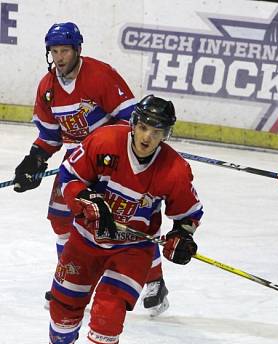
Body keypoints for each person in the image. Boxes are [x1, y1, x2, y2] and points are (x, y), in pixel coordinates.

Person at [12, 22, 169, 315]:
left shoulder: (101, 75)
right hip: (76, 162)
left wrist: (107, 152)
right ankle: (71, 280)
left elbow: (130, 122)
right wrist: (34, 159)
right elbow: (49, 135)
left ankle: (155, 282)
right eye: (54, 51)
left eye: (65, 51)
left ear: (77, 50)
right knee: (61, 220)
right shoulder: (48, 88)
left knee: (126, 225)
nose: (59, 58)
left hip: (111, 163)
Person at [47, 94, 204, 344]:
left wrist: (182, 236)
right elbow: (69, 175)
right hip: (86, 240)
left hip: (132, 250)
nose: (146, 138)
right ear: (133, 124)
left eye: (156, 132)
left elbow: (188, 214)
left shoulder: (175, 170)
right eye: (143, 128)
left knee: (109, 313)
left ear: (166, 134)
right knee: (64, 307)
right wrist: (85, 200)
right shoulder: (104, 140)